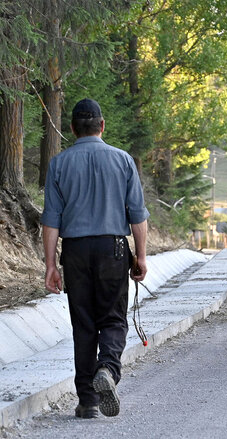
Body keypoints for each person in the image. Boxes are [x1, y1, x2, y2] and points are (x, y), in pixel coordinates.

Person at [41, 98, 149, 419]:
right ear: (102, 126)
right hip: (113, 249)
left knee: (84, 325)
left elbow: (51, 220)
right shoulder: (124, 160)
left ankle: (87, 400)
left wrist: (50, 264)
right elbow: (137, 216)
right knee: (113, 319)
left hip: (74, 252)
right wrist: (140, 255)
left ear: (72, 129)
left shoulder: (58, 165)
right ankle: (108, 369)